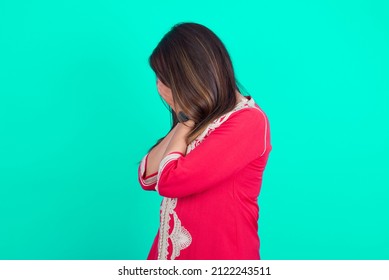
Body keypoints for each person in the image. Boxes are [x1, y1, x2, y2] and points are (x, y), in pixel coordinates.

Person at [138, 22, 272, 260]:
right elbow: (148, 175)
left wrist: (185, 117)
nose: (160, 88)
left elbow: (170, 181)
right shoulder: (198, 117)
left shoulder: (249, 121)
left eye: (167, 80)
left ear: (191, 76)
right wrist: (185, 116)